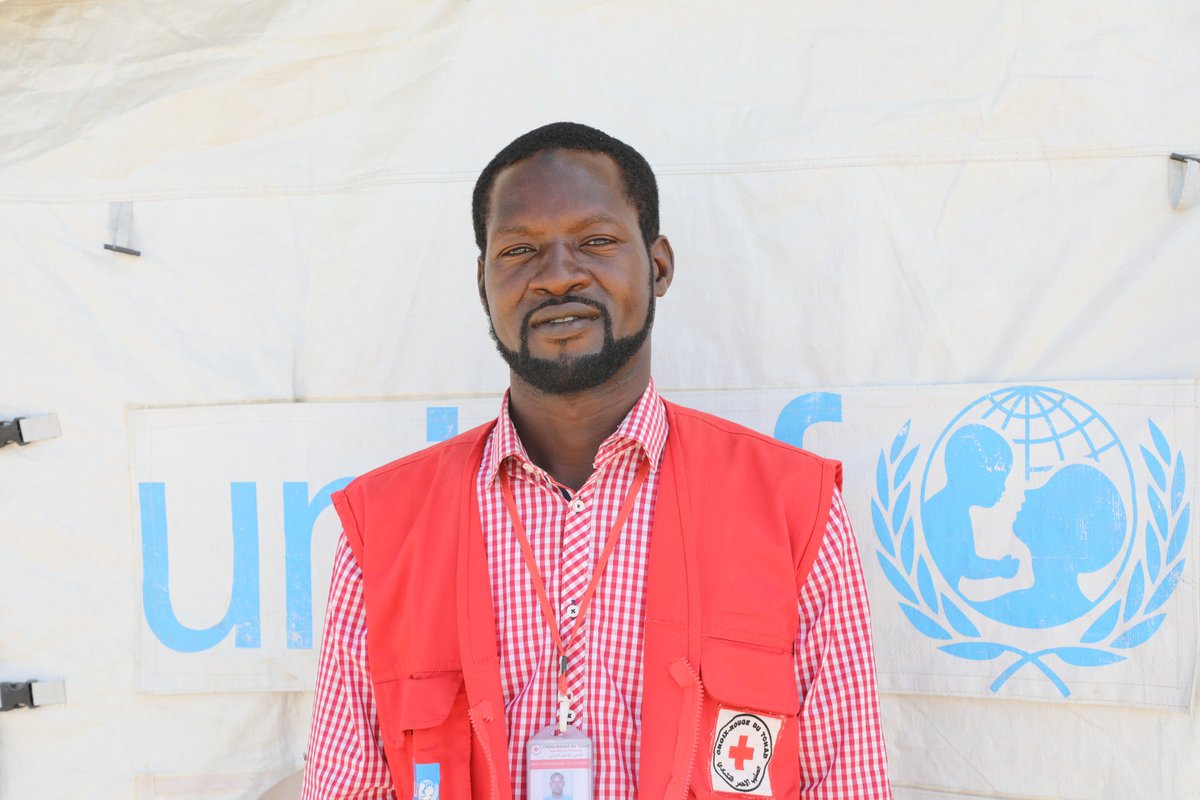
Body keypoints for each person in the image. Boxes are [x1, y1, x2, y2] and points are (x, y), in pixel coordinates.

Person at [301, 122, 891, 800]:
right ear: (483, 283)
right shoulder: (384, 528)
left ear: (658, 266)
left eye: (596, 241)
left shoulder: (794, 510)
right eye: (519, 250)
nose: (557, 276)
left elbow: (847, 782)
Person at [972, 463, 1127, 628]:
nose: (1028, 492)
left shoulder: (995, 613)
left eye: (1046, 490)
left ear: (1066, 526)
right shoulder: (998, 612)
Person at [921, 424, 1020, 591]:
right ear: (966, 472)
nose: (1002, 487)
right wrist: (1000, 568)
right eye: (997, 477)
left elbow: (965, 561)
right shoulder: (947, 511)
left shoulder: (953, 508)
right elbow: (968, 566)